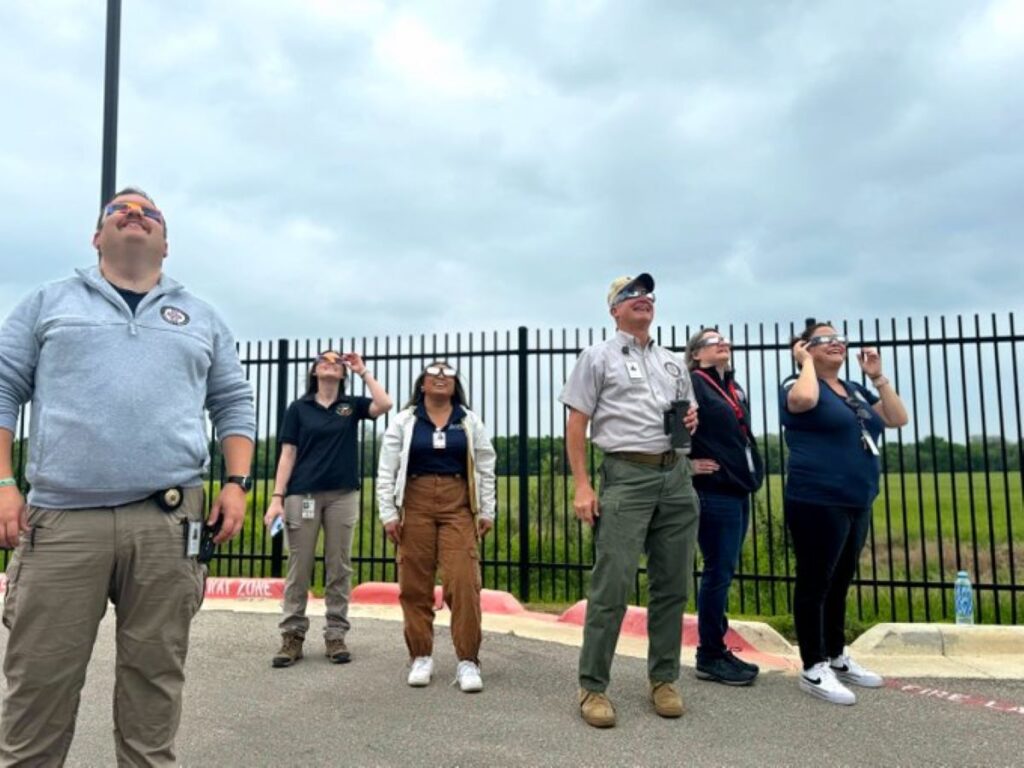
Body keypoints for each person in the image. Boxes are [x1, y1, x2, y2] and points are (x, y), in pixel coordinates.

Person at [0, 187, 255, 765]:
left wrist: (237, 484)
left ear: (166, 242)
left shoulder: (201, 316)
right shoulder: (49, 302)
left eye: (149, 213)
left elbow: (233, 402)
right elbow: (3, 388)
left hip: (168, 523)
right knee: (39, 681)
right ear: (97, 237)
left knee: (154, 682)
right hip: (63, 522)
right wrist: (4, 483)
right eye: (119, 210)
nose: (135, 214)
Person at [560, 274, 699, 729]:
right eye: (632, 296)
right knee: (612, 586)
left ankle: (663, 679)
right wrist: (583, 485)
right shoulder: (597, 357)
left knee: (672, 585)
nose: (643, 302)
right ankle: (593, 686)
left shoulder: (674, 363)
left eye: (649, 297)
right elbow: (577, 423)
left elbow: (685, 418)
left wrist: (690, 422)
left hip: (675, 477)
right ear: (614, 309)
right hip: (626, 475)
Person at [782, 318, 908, 705]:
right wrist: (803, 363)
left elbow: (896, 418)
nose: (836, 343)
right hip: (817, 499)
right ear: (805, 348)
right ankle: (812, 666)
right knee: (815, 582)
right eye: (824, 339)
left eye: (839, 338)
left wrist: (878, 378)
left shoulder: (852, 389)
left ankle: (836, 655)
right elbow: (803, 402)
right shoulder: (796, 384)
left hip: (857, 498)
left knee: (839, 582)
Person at [263, 350, 392, 668]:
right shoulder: (299, 408)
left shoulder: (351, 407)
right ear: (314, 372)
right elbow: (288, 453)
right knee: (300, 567)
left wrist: (363, 371)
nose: (330, 364)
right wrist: (276, 498)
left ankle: (335, 634)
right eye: (323, 361)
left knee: (339, 566)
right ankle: (292, 635)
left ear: (343, 374)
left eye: (336, 363)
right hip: (302, 495)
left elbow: (385, 404)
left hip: (341, 496)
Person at [376, 361, 497, 692]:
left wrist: (487, 510)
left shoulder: (468, 421)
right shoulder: (405, 421)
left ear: (456, 385)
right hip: (414, 503)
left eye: (448, 373)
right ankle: (420, 656)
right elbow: (387, 468)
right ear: (422, 384)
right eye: (434, 372)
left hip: (457, 504)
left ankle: (468, 661)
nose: (441, 376)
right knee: (414, 583)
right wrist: (389, 513)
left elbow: (486, 464)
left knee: (464, 581)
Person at [684, 328, 764, 686]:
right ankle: (710, 653)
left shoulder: (733, 386)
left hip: (738, 487)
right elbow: (672, 426)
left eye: (724, 340)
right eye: (713, 341)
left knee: (725, 569)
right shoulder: (692, 384)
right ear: (697, 355)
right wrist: (686, 466)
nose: (723, 344)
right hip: (713, 490)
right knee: (718, 570)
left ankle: (717, 645)